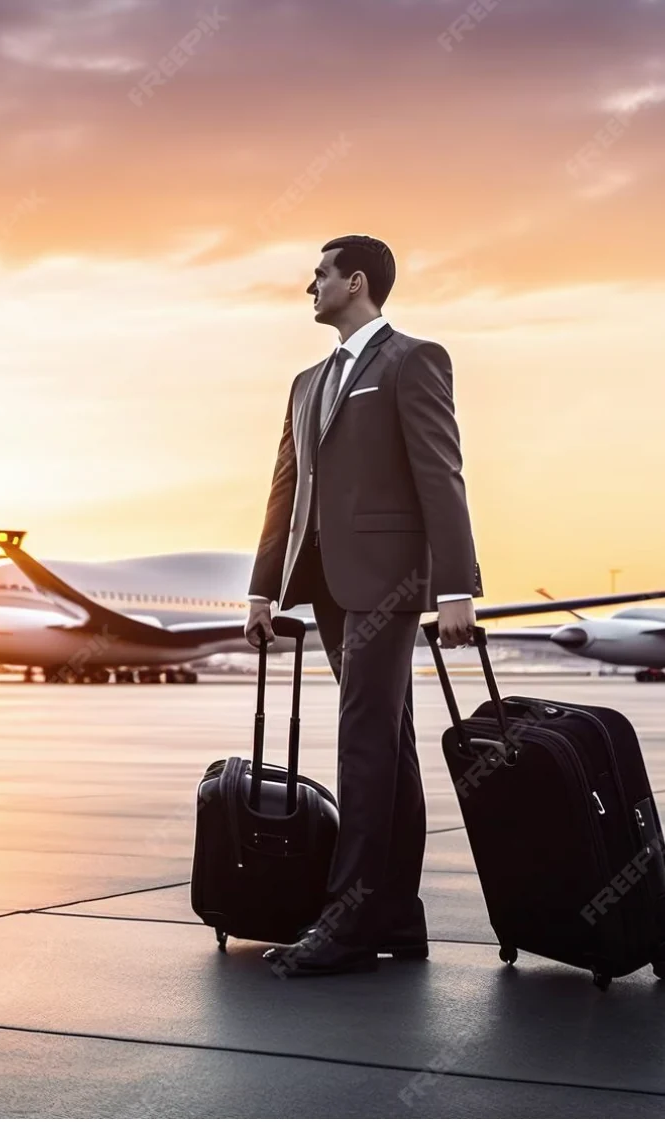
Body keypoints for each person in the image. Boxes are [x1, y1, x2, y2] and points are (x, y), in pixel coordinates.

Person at [244, 234, 481, 976]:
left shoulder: (413, 360)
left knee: (362, 743)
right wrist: (262, 586)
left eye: (319, 274)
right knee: (389, 747)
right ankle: (397, 920)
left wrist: (454, 587)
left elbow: (441, 471)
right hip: (328, 587)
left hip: (390, 584)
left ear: (355, 281)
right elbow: (286, 488)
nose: (308, 285)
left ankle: (347, 924)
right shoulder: (306, 381)